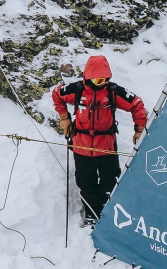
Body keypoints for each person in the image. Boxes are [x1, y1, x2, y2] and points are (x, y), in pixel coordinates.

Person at [51, 55, 147, 224]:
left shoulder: (113, 91)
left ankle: (108, 214)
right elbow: (56, 94)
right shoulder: (77, 89)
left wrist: (139, 129)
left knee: (110, 184)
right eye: (96, 79)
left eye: (104, 79)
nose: (100, 82)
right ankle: (91, 215)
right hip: (81, 148)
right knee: (86, 185)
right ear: (88, 76)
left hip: (107, 148)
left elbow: (136, 104)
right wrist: (64, 117)